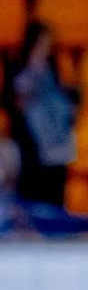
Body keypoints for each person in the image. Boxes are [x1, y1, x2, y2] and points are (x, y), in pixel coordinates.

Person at [3, 21, 76, 208]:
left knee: (54, 188)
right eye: (43, 42)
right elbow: (13, 100)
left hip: (55, 138)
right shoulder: (16, 65)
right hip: (29, 138)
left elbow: (66, 96)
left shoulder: (55, 66)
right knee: (31, 188)